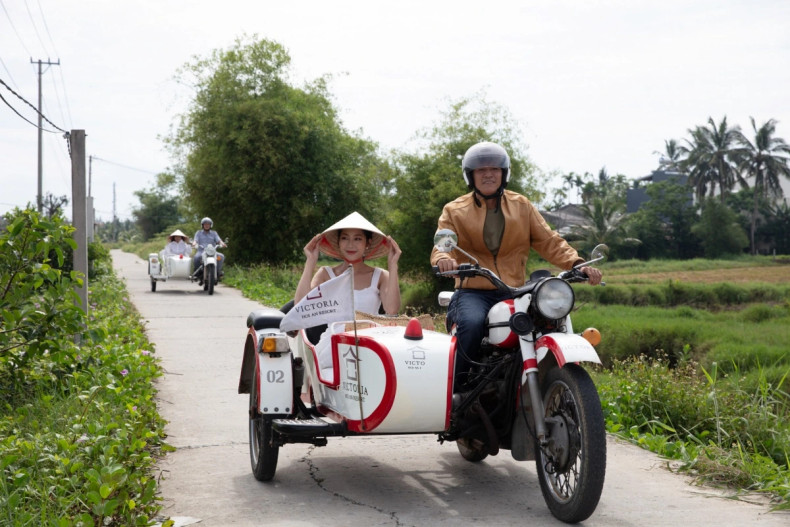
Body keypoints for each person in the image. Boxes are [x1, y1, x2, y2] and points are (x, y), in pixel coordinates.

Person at [430, 141, 603, 392]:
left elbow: (549, 240)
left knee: (548, 321)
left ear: (504, 174)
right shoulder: (454, 210)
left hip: (515, 290)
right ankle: (459, 392)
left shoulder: (521, 206)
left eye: (494, 169)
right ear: (470, 176)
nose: (488, 174)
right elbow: (442, 244)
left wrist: (578, 263)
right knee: (472, 323)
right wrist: (443, 260)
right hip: (474, 292)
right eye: (481, 170)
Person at [294, 211, 402, 370]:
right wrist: (310, 261)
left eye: (357, 239)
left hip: (370, 344)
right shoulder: (326, 274)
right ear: (338, 242)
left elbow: (392, 309)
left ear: (368, 243)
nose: (351, 244)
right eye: (345, 238)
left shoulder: (380, 276)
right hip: (334, 345)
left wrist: (393, 266)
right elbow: (300, 307)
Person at [192, 217, 227, 282]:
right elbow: (195, 240)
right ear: (202, 225)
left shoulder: (214, 233)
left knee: (221, 256)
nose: (207, 225)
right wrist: (194, 244)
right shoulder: (198, 233)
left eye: (208, 224)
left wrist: (222, 244)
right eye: (205, 224)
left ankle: (218, 272)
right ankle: (197, 274)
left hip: (212, 251)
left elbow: (219, 240)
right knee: (196, 257)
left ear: (211, 225)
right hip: (202, 251)